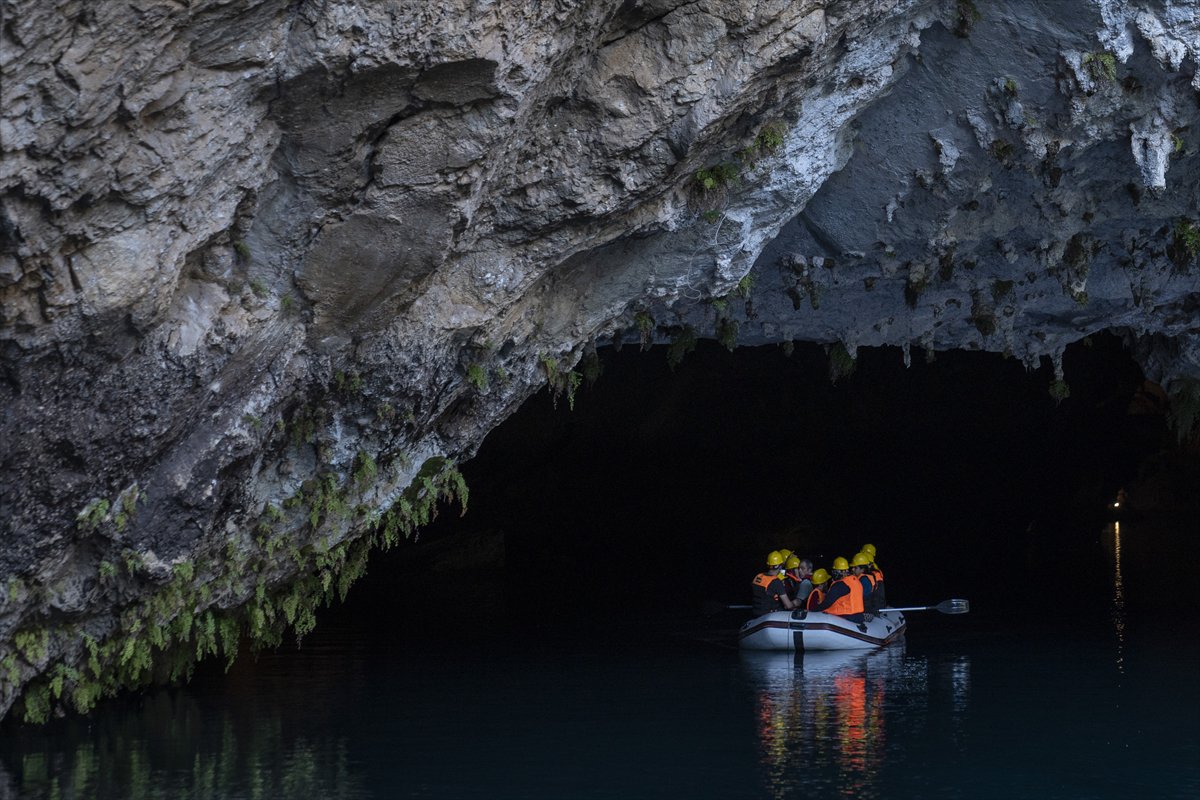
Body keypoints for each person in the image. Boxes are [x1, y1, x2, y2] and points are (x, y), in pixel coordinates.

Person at [808, 556, 865, 622]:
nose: (833, 573)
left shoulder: (840, 584)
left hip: (845, 617)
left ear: (842, 571)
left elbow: (827, 603)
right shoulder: (855, 581)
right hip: (858, 616)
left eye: (835, 571)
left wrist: (812, 611)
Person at [861, 544, 886, 609]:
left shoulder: (872, 572)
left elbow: (877, 592)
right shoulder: (875, 568)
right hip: (876, 602)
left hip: (872, 604)